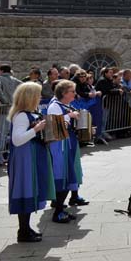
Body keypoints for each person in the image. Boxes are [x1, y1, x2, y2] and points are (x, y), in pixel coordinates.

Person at [7, 82, 55, 243]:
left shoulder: (30, 113)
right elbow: (17, 140)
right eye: (38, 95)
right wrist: (36, 129)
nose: (40, 97)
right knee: (25, 189)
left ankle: (26, 229)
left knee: (30, 189)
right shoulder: (21, 115)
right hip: (25, 158)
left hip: (32, 155)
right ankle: (24, 231)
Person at [46, 79, 88, 224]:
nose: (74, 94)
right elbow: (53, 125)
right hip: (59, 145)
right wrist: (69, 116)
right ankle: (57, 212)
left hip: (67, 142)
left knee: (69, 175)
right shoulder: (55, 106)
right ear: (64, 93)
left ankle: (61, 210)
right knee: (61, 176)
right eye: (72, 91)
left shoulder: (65, 105)